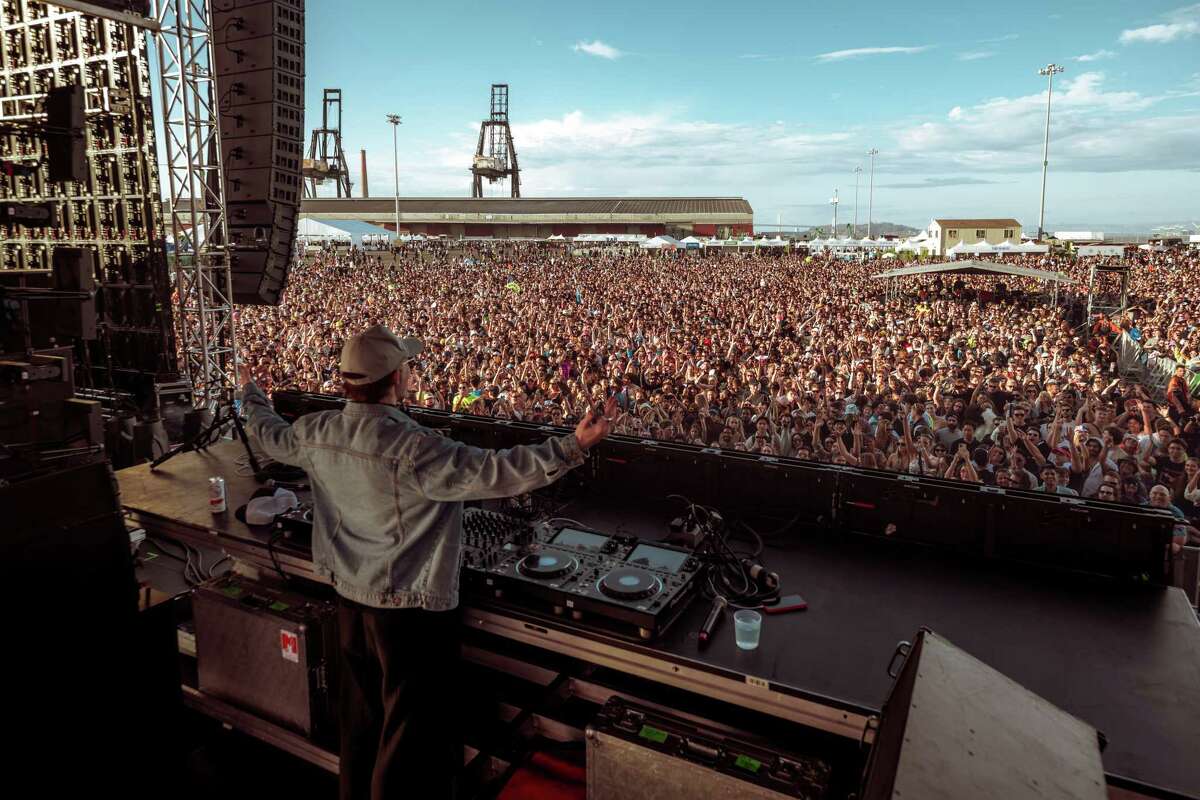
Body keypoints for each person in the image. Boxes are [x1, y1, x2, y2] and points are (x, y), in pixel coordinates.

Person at [239, 325, 616, 800]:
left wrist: (249, 391)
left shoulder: (317, 432)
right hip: (409, 613)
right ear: (397, 379)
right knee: (407, 746)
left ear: (345, 382)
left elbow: (268, 434)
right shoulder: (414, 447)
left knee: (360, 728)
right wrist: (572, 446)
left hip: (350, 601)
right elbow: (496, 471)